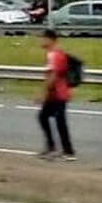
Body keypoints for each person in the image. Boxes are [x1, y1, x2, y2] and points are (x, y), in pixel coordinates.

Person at [36, 29, 75, 160]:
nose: (40, 41)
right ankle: (53, 147)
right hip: (55, 94)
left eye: (42, 38)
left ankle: (67, 151)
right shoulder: (53, 54)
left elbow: (54, 75)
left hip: (57, 93)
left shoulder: (54, 54)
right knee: (44, 117)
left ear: (49, 39)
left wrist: (43, 92)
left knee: (58, 121)